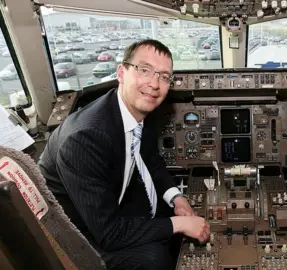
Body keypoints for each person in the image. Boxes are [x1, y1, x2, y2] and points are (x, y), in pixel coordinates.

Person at [38, 39, 210, 269]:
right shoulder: (85, 138)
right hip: (78, 232)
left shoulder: (137, 110)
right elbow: (109, 233)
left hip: (112, 197)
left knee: (167, 217)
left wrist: (176, 198)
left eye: (164, 76)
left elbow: (151, 160)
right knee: (153, 259)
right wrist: (179, 224)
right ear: (121, 72)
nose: (154, 84)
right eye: (145, 70)